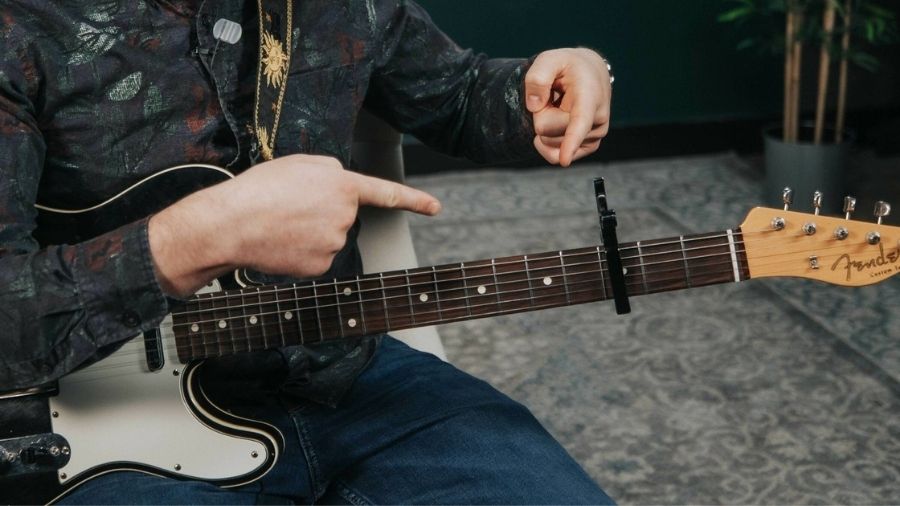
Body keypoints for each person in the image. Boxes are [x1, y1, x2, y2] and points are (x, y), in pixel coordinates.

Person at [0, 0, 613, 503]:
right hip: (101, 418)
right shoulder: (18, 27)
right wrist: (195, 239)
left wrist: (560, 81)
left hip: (342, 368)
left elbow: (457, 94)